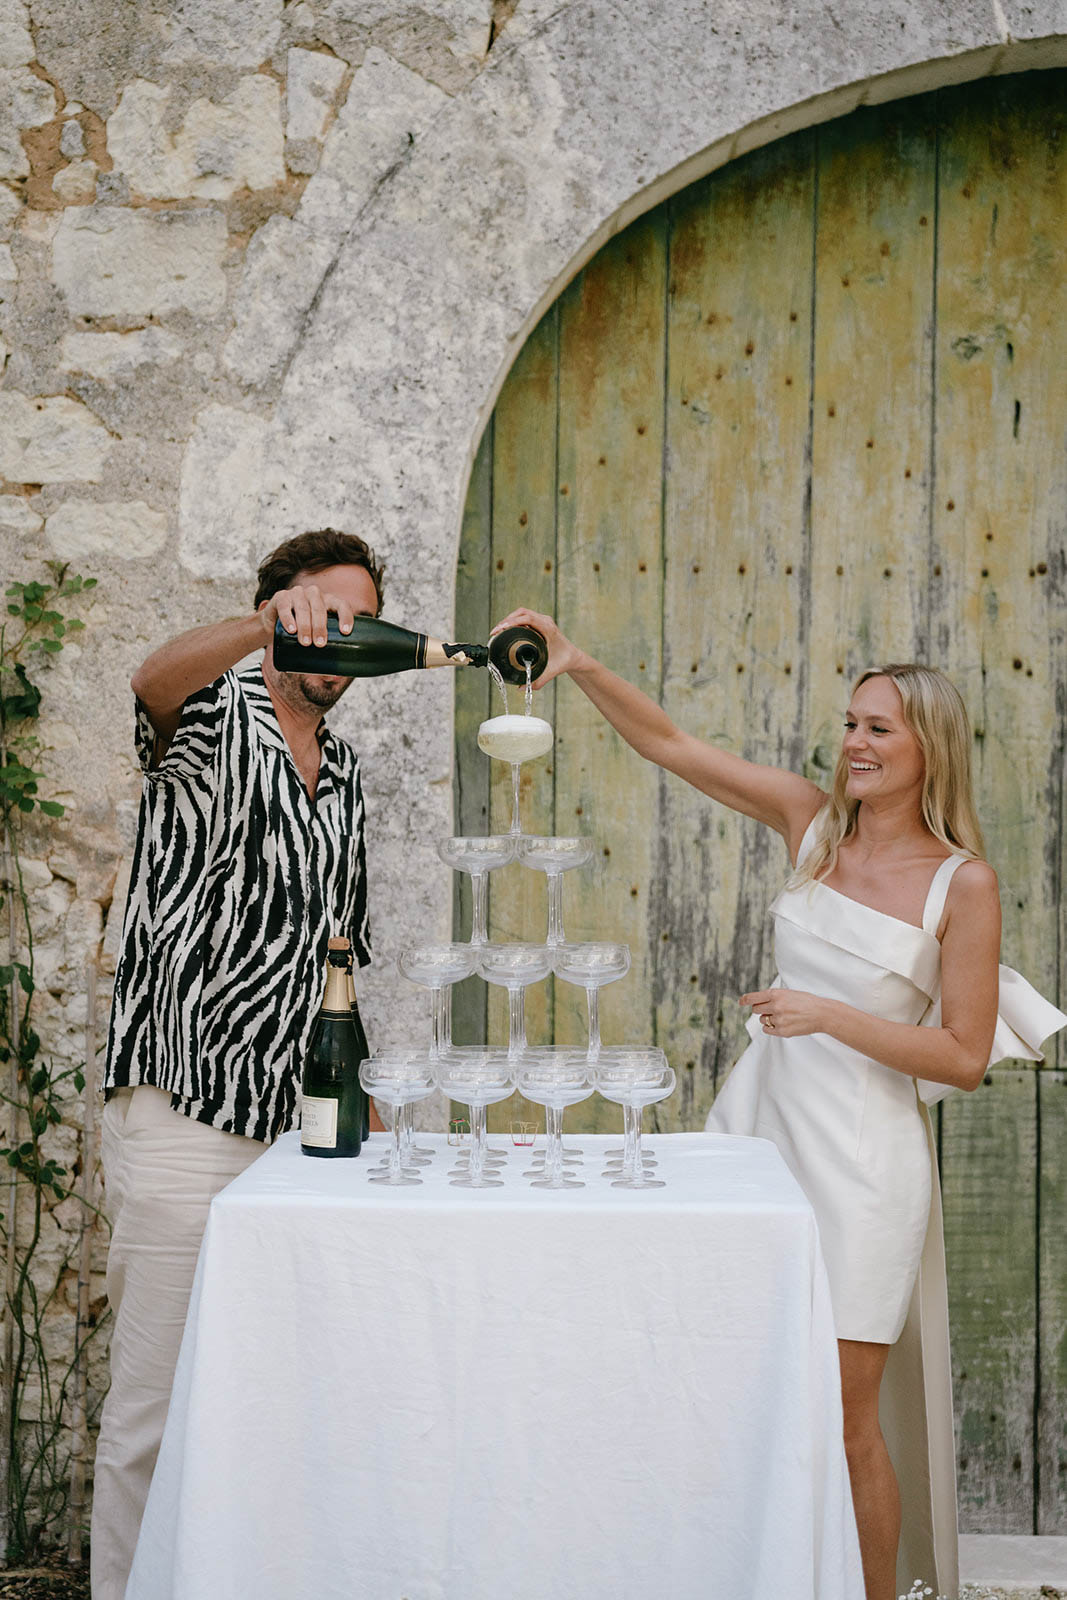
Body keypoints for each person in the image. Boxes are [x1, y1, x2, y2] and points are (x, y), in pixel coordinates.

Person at [491, 607, 1066, 1600]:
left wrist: (828, 1013)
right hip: (756, 1144)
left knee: (843, 1424)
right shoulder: (809, 827)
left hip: (862, 1171)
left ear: (928, 746)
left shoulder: (960, 885)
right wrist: (580, 661)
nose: (853, 742)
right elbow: (672, 746)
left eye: (877, 727)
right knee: (730, 1388)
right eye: (849, 722)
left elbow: (963, 1055)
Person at [92, 529, 386, 1600]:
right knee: (152, 1413)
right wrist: (264, 625)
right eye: (321, 610)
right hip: (181, 1115)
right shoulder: (213, 718)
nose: (336, 634)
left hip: (294, 1132)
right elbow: (150, 679)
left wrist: (368, 1108)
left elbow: (336, 961)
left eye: (356, 619)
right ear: (280, 609)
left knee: (266, 1401)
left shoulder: (345, 773)